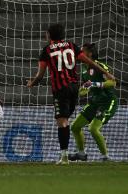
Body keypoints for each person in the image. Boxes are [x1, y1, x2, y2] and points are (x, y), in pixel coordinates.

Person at [27, 24, 115, 165]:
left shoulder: (46, 50)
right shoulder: (72, 46)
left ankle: (64, 157)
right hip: (74, 88)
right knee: (66, 121)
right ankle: (73, 154)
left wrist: (32, 83)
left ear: (49, 35)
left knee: (62, 122)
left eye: (47, 33)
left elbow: (40, 74)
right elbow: (89, 62)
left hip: (60, 89)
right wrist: (106, 73)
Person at [69, 43, 117, 162]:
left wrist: (94, 84)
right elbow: (84, 91)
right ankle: (81, 153)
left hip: (107, 102)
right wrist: (81, 90)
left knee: (93, 129)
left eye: (82, 51)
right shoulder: (85, 70)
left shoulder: (100, 66)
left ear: (89, 54)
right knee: (75, 126)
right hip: (94, 102)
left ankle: (105, 157)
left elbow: (113, 82)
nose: (79, 53)